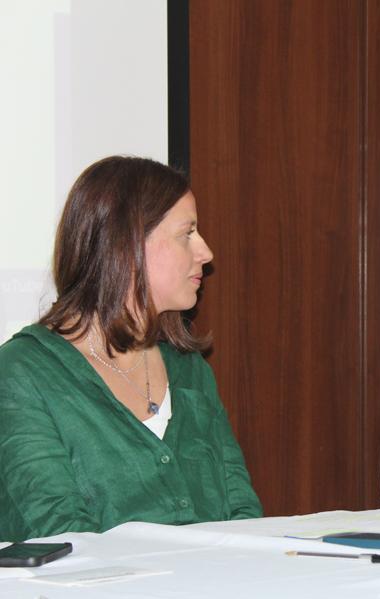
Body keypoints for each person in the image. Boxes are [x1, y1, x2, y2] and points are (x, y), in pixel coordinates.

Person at [0, 156, 262, 542]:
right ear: (127, 245)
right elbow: (57, 536)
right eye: (187, 233)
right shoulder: (22, 373)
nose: (205, 253)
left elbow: (244, 518)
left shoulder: (189, 370)